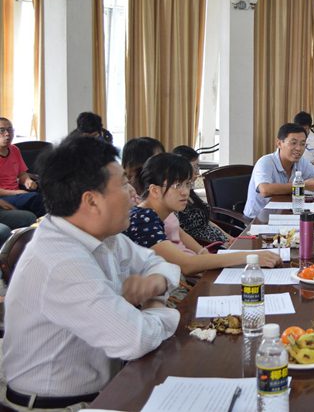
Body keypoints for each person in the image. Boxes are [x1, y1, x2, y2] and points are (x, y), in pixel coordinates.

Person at [2, 136, 181, 409]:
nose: (133, 194)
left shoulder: (101, 236)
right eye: (123, 184)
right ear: (92, 201)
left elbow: (158, 263)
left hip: (106, 388)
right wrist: (156, 303)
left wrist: (156, 283)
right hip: (57, 406)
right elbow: (136, 339)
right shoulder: (61, 261)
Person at [125, 153, 281, 278]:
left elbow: (181, 235)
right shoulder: (142, 219)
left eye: (187, 184)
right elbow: (187, 265)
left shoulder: (157, 213)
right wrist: (250, 256)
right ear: (155, 190)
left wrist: (202, 251)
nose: (185, 192)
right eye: (177, 185)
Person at [244, 123, 314, 218]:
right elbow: (265, 190)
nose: (299, 148)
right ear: (279, 143)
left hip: (284, 213)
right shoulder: (265, 162)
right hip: (258, 218)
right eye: (293, 143)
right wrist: (302, 186)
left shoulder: (301, 162)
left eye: (302, 144)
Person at [172, 145, 235, 246]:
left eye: (198, 167)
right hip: (205, 246)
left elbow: (206, 221)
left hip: (220, 243)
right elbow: (181, 234)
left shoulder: (190, 192)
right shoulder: (174, 198)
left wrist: (230, 238)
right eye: (194, 167)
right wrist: (219, 245)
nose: (197, 173)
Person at [0, 117, 46, 217]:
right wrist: (16, 193)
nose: (7, 134)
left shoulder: (14, 149)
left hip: (18, 192)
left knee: (48, 190)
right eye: (2, 130)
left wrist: (27, 181)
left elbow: (22, 174)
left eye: (10, 130)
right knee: (35, 199)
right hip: (4, 197)